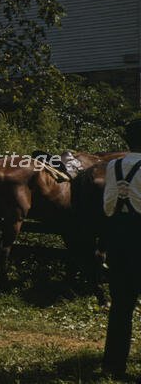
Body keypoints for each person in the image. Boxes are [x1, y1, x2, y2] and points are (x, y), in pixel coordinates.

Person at [101, 119, 141, 378]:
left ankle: (113, 366)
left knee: (120, 306)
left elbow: (107, 207)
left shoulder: (112, 165)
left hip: (117, 238)